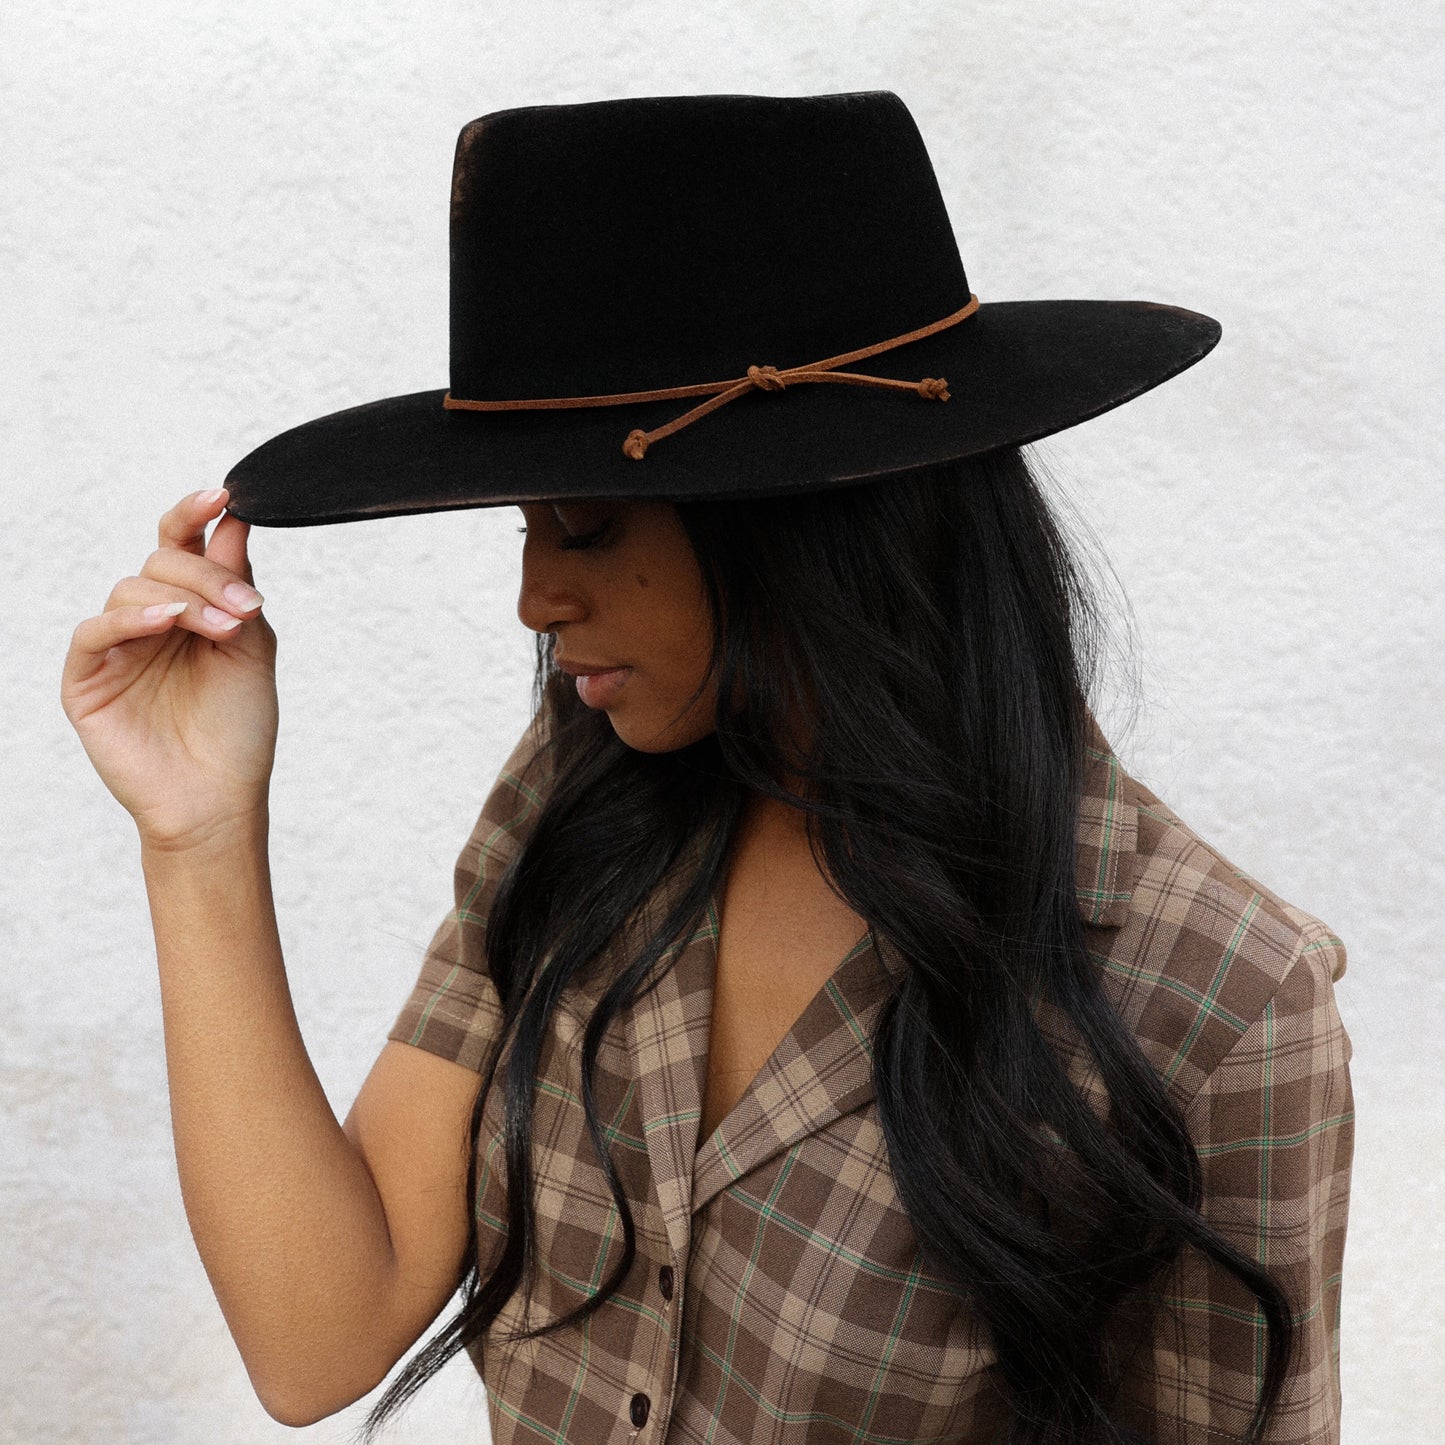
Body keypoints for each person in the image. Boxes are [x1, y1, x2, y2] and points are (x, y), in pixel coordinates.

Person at [61, 93, 1352, 1444]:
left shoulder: (1215, 1003)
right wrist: (195, 834)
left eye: (582, 520)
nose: (533, 599)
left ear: (805, 518)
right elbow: (318, 1330)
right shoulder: (580, 800)